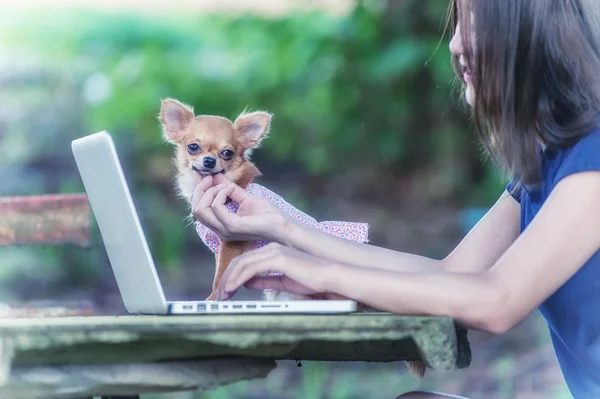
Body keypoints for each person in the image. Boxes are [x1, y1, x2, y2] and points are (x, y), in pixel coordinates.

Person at [190, 0, 600, 397]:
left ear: (532, 34)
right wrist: (282, 228)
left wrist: (324, 275)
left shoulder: (593, 159)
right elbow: (452, 274)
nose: (455, 44)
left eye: (474, 23)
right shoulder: (548, 164)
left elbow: (497, 301)